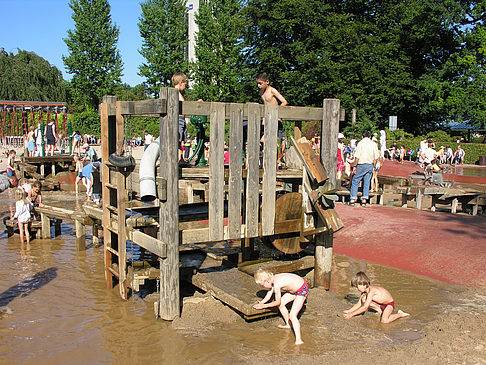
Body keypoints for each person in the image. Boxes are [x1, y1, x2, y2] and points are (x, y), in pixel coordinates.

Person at [252, 269, 308, 345]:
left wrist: (263, 306)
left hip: (302, 290)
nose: (263, 287)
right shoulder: (272, 279)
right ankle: (288, 324)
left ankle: (299, 339)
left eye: (262, 285)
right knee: (281, 305)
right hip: (294, 290)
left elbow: (277, 301)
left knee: (292, 315)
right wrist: (262, 302)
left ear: (267, 281)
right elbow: (270, 292)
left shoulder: (277, 284)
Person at [343, 271, 410, 323]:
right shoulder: (365, 292)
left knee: (384, 321)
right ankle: (379, 311)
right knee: (363, 299)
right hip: (380, 305)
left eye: (357, 287)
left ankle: (400, 314)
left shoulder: (372, 291)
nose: (357, 289)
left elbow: (365, 307)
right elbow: (359, 304)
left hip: (389, 304)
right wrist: (349, 311)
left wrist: (351, 315)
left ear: (363, 284)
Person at [255, 72, 288, 148]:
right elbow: (265, 105)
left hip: (275, 118)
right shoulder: (261, 93)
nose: (258, 86)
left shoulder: (272, 91)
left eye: (260, 83)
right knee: (264, 141)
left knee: (264, 140)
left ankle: (276, 149)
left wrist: (276, 113)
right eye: (257, 83)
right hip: (266, 118)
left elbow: (284, 102)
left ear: (267, 82)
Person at [349, 131, 380, 207]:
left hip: (361, 164)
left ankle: (353, 198)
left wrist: (355, 166)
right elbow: (376, 157)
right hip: (369, 164)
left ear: (362, 136)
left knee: (356, 180)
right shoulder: (373, 144)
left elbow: (357, 156)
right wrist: (373, 166)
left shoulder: (360, 144)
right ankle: (364, 199)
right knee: (367, 182)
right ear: (370, 137)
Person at [172, 72, 189, 163]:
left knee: (180, 140)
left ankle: (180, 158)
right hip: (178, 120)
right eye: (185, 85)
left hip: (180, 120)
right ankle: (178, 159)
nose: (185, 87)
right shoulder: (175, 93)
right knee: (178, 139)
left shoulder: (177, 93)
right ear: (181, 82)